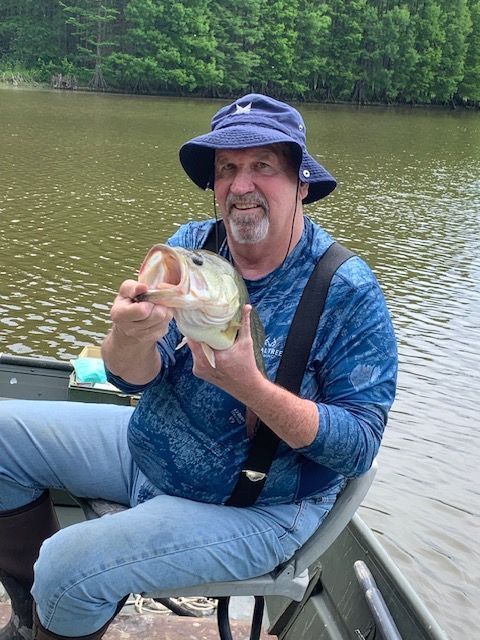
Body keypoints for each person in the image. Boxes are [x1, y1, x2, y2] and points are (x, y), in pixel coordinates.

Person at [0, 93, 397, 639]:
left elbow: (358, 447)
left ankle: (59, 610)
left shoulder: (348, 291)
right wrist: (128, 337)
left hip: (262, 506)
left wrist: (251, 387)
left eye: (263, 166)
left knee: (66, 566)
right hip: (149, 450)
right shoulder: (194, 246)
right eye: (227, 169)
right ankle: (34, 618)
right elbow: (129, 375)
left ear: (301, 184)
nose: (240, 185)